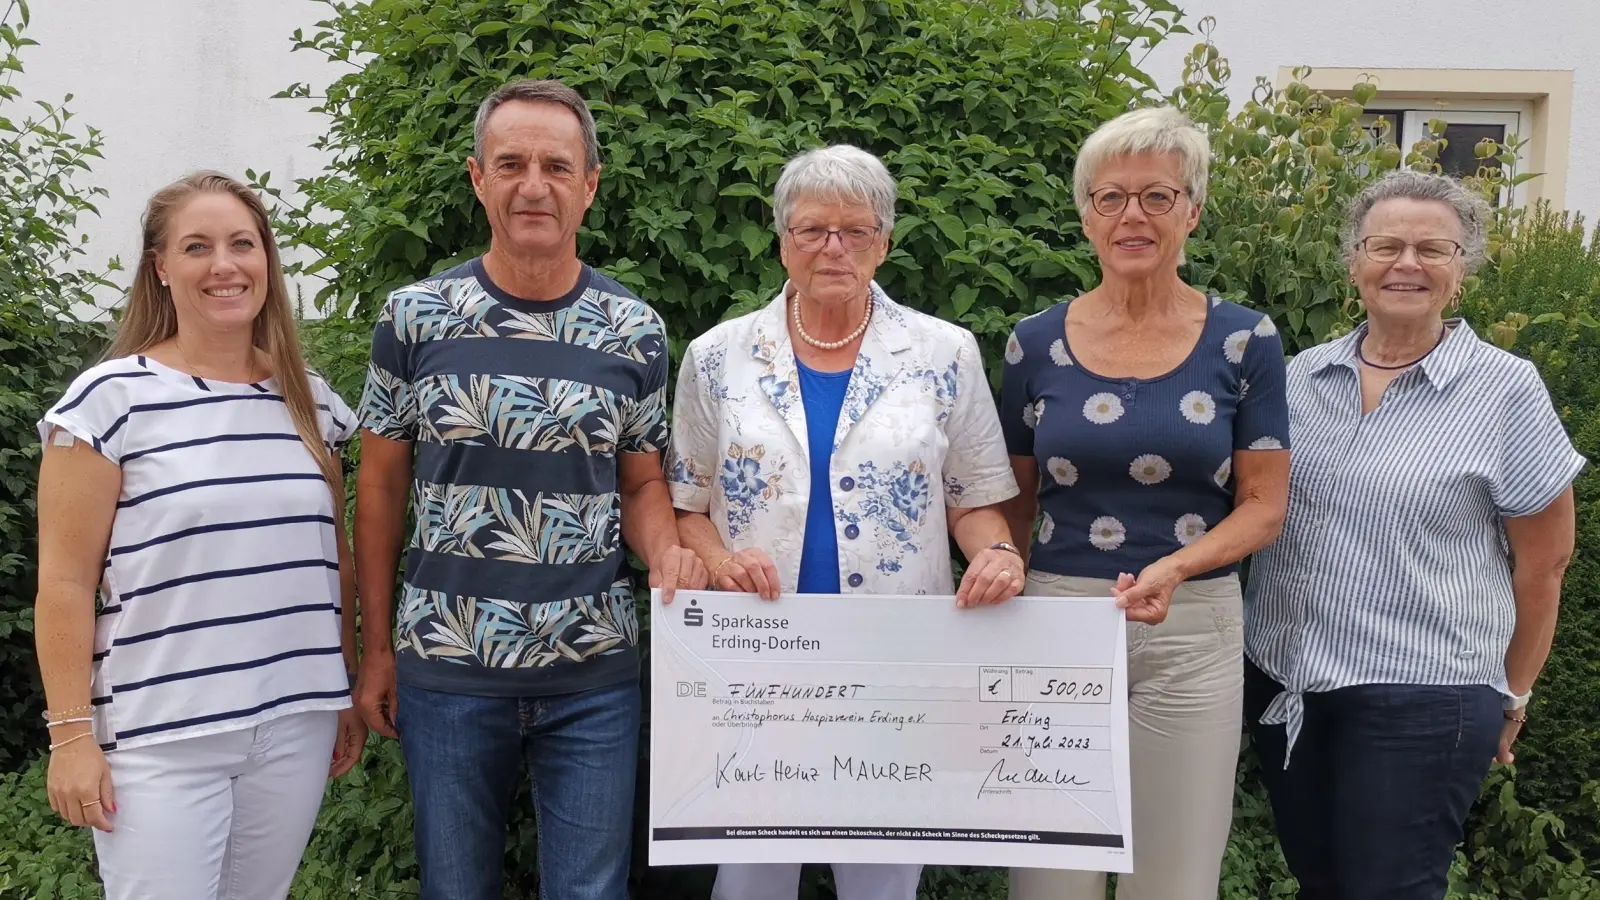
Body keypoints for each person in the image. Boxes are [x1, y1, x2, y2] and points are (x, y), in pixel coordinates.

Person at [352, 78, 703, 900]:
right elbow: (378, 491)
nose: (533, 185)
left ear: (591, 183)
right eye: (511, 164)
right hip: (445, 667)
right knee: (454, 889)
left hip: (593, 673)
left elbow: (644, 485)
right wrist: (374, 651)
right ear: (478, 179)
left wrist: (667, 558)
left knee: (590, 893)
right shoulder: (414, 318)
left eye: (556, 165)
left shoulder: (635, 328)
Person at [665, 144, 1025, 900]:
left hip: (896, 659)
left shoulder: (944, 353)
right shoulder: (716, 358)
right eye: (813, 230)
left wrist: (995, 552)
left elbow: (974, 497)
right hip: (759, 660)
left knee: (882, 877)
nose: (835, 247)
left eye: (856, 231)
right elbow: (686, 507)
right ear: (781, 242)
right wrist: (723, 562)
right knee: (750, 877)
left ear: (885, 243)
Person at [1243, 169, 1585, 899]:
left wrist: (1512, 693)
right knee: (1322, 884)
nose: (1406, 264)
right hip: (1288, 681)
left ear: (1462, 269)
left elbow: (1546, 562)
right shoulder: (1299, 378)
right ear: (1354, 261)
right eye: (1386, 245)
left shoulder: (1507, 388)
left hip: (1425, 694)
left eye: (1433, 249)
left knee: (1390, 890)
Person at [33, 171, 366, 899]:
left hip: (293, 726)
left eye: (243, 244)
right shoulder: (107, 403)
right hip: (160, 741)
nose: (225, 265)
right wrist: (70, 736)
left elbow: (330, 559)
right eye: (197, 246)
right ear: (160, 267)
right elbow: (62, 583)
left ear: (267, 262)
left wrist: (339, 686)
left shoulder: (307, 400)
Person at [999, 106, 1290, 900]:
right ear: (1086, 217)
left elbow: (1265, 504)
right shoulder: (1032, 342)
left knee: (1173, 880)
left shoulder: (1245, 341)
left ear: (1192, 212)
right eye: (1110, 197)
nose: (1133, 215)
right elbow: (1011, 503)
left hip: (1192, 624)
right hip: (1057, 620)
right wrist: (1008, 590)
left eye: (1157, 196)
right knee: (1048, 881)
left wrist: (1174, 567)